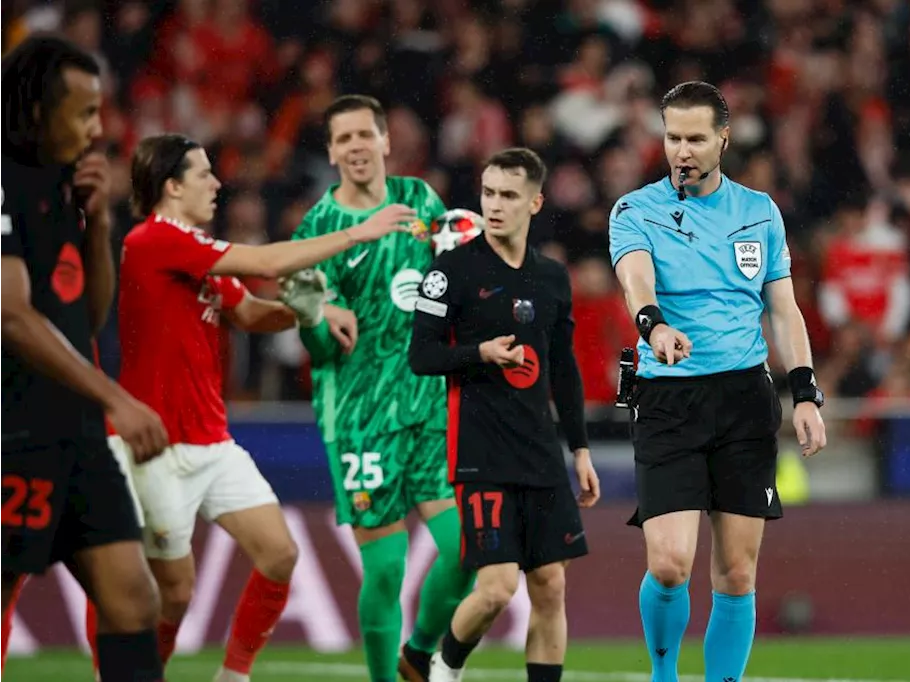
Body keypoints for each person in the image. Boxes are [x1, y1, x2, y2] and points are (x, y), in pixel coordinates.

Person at [111, 131, 406, 682]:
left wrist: (308, 311)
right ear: (172, 187)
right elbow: (268, 259)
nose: (217, 184)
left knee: (279, 554)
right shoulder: (153, 241)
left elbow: (248, 312)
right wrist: (358, 232)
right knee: (174, 595)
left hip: (212, 442)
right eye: (203, 174)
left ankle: (234, 676)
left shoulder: (191, 253)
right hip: (158, 447)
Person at [608, 81, 828, 682]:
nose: (682, 149)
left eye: (695, 138)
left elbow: (783, 310)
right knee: (672, 563)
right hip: (668, 396)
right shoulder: (635, 210)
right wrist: (653, 328)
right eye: (673, 137)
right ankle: (663, 675)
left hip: (743, 399)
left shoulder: (759, 211)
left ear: (723, 138)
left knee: (736, 573)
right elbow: (636, 282)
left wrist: (805, 392)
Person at [285, 94, 476, 682]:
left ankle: (417, 654)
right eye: (343, 139)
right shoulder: (319, 227)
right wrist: (311, 317)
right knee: (388, 567)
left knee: (468, 549)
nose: (356, 147)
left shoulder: (420, 200)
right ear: (331, 152)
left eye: (365, 134)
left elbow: (454, 286)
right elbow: (319, 351)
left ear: (386, 140)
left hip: (428, 408)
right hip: (361, 414)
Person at [0, 34, 168, 682]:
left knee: (133, 598)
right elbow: (10, 313)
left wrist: (97, 226)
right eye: (84, 113)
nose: (99, 128)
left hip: (75, 435)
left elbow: (86, 313)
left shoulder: (63, 186)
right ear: (38, 112)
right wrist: (117, 398)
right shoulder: (4, 182)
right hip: (14, 433)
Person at [408, 147, 601, 682]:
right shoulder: (451, 273)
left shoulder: (552, 278)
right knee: (494, 589)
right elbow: (420, 356)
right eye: (489, 193)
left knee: (551, 587)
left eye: (508, 196)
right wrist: (479, 354)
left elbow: (563, 369)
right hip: (481, 450)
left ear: (535, 202)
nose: (494, 205)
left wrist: (580, 450)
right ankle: (442, 664)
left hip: (540, 452)